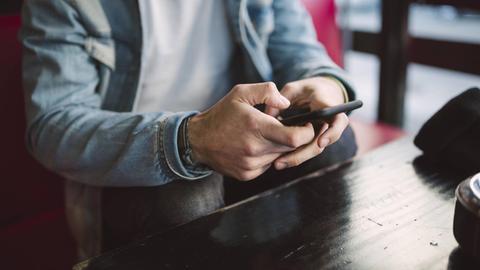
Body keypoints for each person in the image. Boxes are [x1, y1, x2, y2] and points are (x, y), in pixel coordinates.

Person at [21, 0, 357, 260]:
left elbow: (298, 51)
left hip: (250, 152)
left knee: (332, 142)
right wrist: (191, 137)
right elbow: (53, 126)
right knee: (187, 197)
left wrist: (328, 84)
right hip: (131, 171)